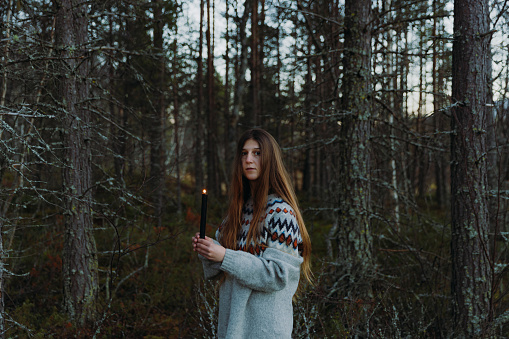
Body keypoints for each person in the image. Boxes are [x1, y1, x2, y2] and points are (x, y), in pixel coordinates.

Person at [192, 128, 312, 339]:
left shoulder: (281, 213)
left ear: (270, 160)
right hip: (232, 329)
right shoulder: (237, 213)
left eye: (257, 153)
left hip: (265, 331)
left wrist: (225, 256)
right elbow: (217, 270)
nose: (249, 159)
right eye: (244, 153)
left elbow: (277, 275)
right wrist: (208, 250)